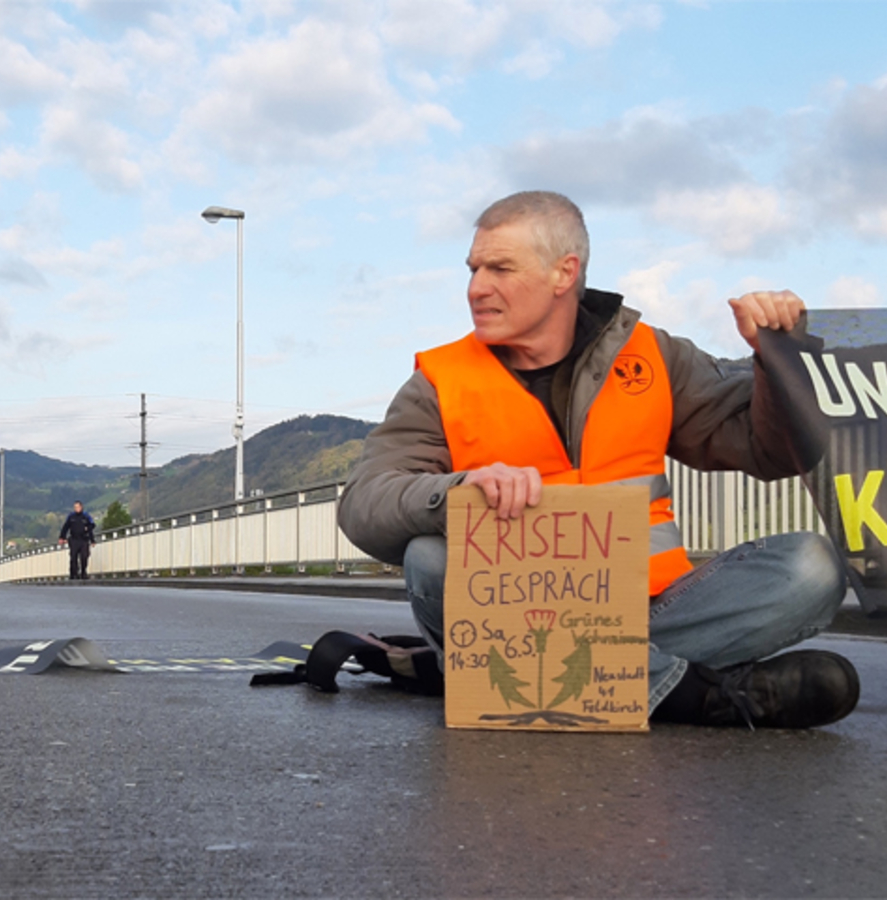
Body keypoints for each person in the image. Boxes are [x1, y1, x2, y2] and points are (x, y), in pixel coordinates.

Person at [339, 190, 857, 730]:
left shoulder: (655, 355)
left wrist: (773, 361)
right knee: (430, 557)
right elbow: (364, 503)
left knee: (813, 566)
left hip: (653, 608)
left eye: (499, 268)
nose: (476, 288)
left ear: (564, 273)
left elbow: (763, 447)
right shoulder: (439, 382)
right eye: (473, 269)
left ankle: (561, 680)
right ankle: (697, 695)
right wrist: (460, 490)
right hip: (515, 619)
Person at [58, 501, 96, 580]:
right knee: (73, 557)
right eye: (75, 507)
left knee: (84, 556)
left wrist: (92, 540)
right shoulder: (71, 517)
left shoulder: (86, 516)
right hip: (74, 539)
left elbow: (92, 526)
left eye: (78, 507)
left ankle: (83, 572)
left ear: (81, 507)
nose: (76, 509)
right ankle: (73, 573)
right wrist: (62, 537)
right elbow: (65, 527)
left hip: (84, 539)